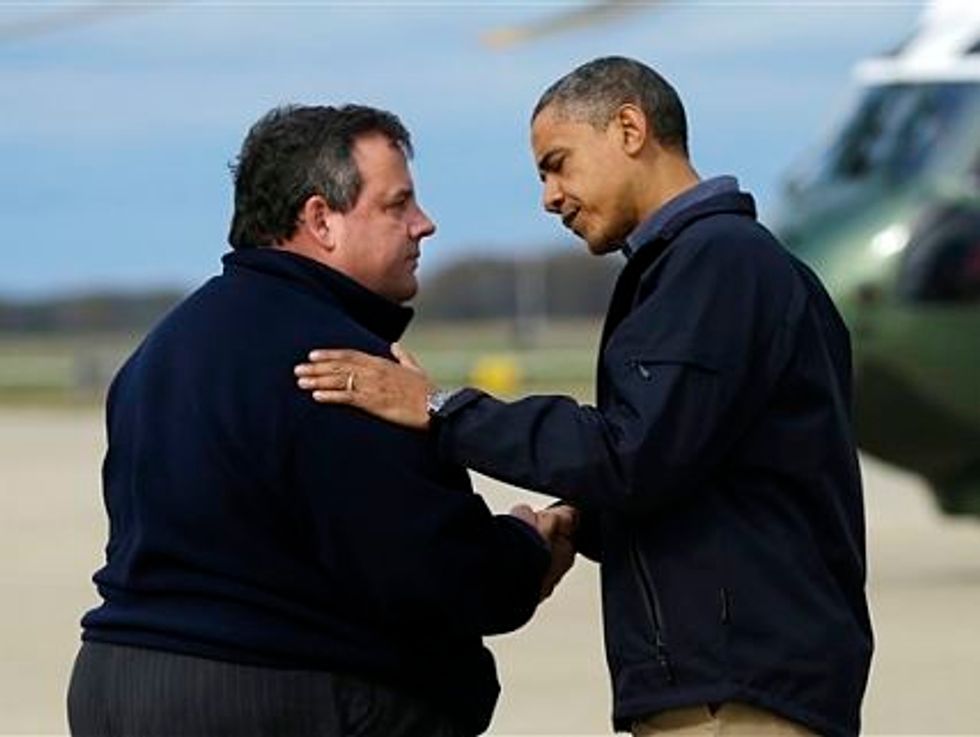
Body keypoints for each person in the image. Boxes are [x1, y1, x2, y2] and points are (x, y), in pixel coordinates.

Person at [294, 57, 874, 737]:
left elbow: (633, 451)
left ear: (630, 127)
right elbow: (689, 463)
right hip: (732, 687)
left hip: (739, 697)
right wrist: (582, 520)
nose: (549, 195)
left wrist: (439, 408)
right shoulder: (706, 267)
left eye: (558, 163)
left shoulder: (717, 263)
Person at [67, 103, 577, 737]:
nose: (425, 225)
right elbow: (435, 572)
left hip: (115, 684)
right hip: (276, 692)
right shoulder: (341, 368)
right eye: (397, 205)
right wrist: (526, 549)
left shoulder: (161, 350)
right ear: (320, 219)